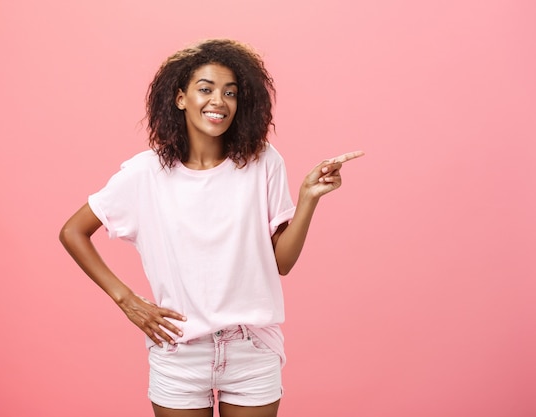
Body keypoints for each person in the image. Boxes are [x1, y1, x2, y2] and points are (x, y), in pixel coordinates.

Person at [59, 39, 363, 417]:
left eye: (230, 93)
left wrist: (307, 199)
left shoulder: (263, 162)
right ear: (181, 98)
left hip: (250, 348)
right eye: (206, 89)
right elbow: (72, 231)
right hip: (180, 351)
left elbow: (281, 263)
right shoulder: (145, 173)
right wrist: (128, 302)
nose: (218, 101)